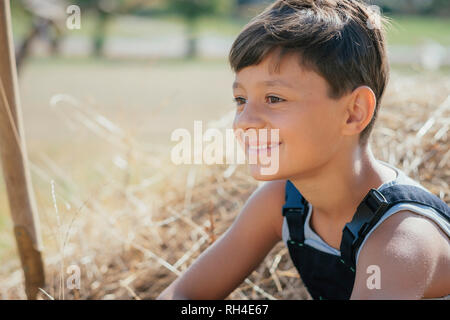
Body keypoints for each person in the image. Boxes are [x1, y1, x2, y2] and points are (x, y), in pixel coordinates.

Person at [157, 0, 450, 300]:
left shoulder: (400, 240)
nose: (244, 122)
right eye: (241, 99)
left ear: (353, 112)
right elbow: (184, 294)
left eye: (274, 98)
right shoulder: (282, 201)